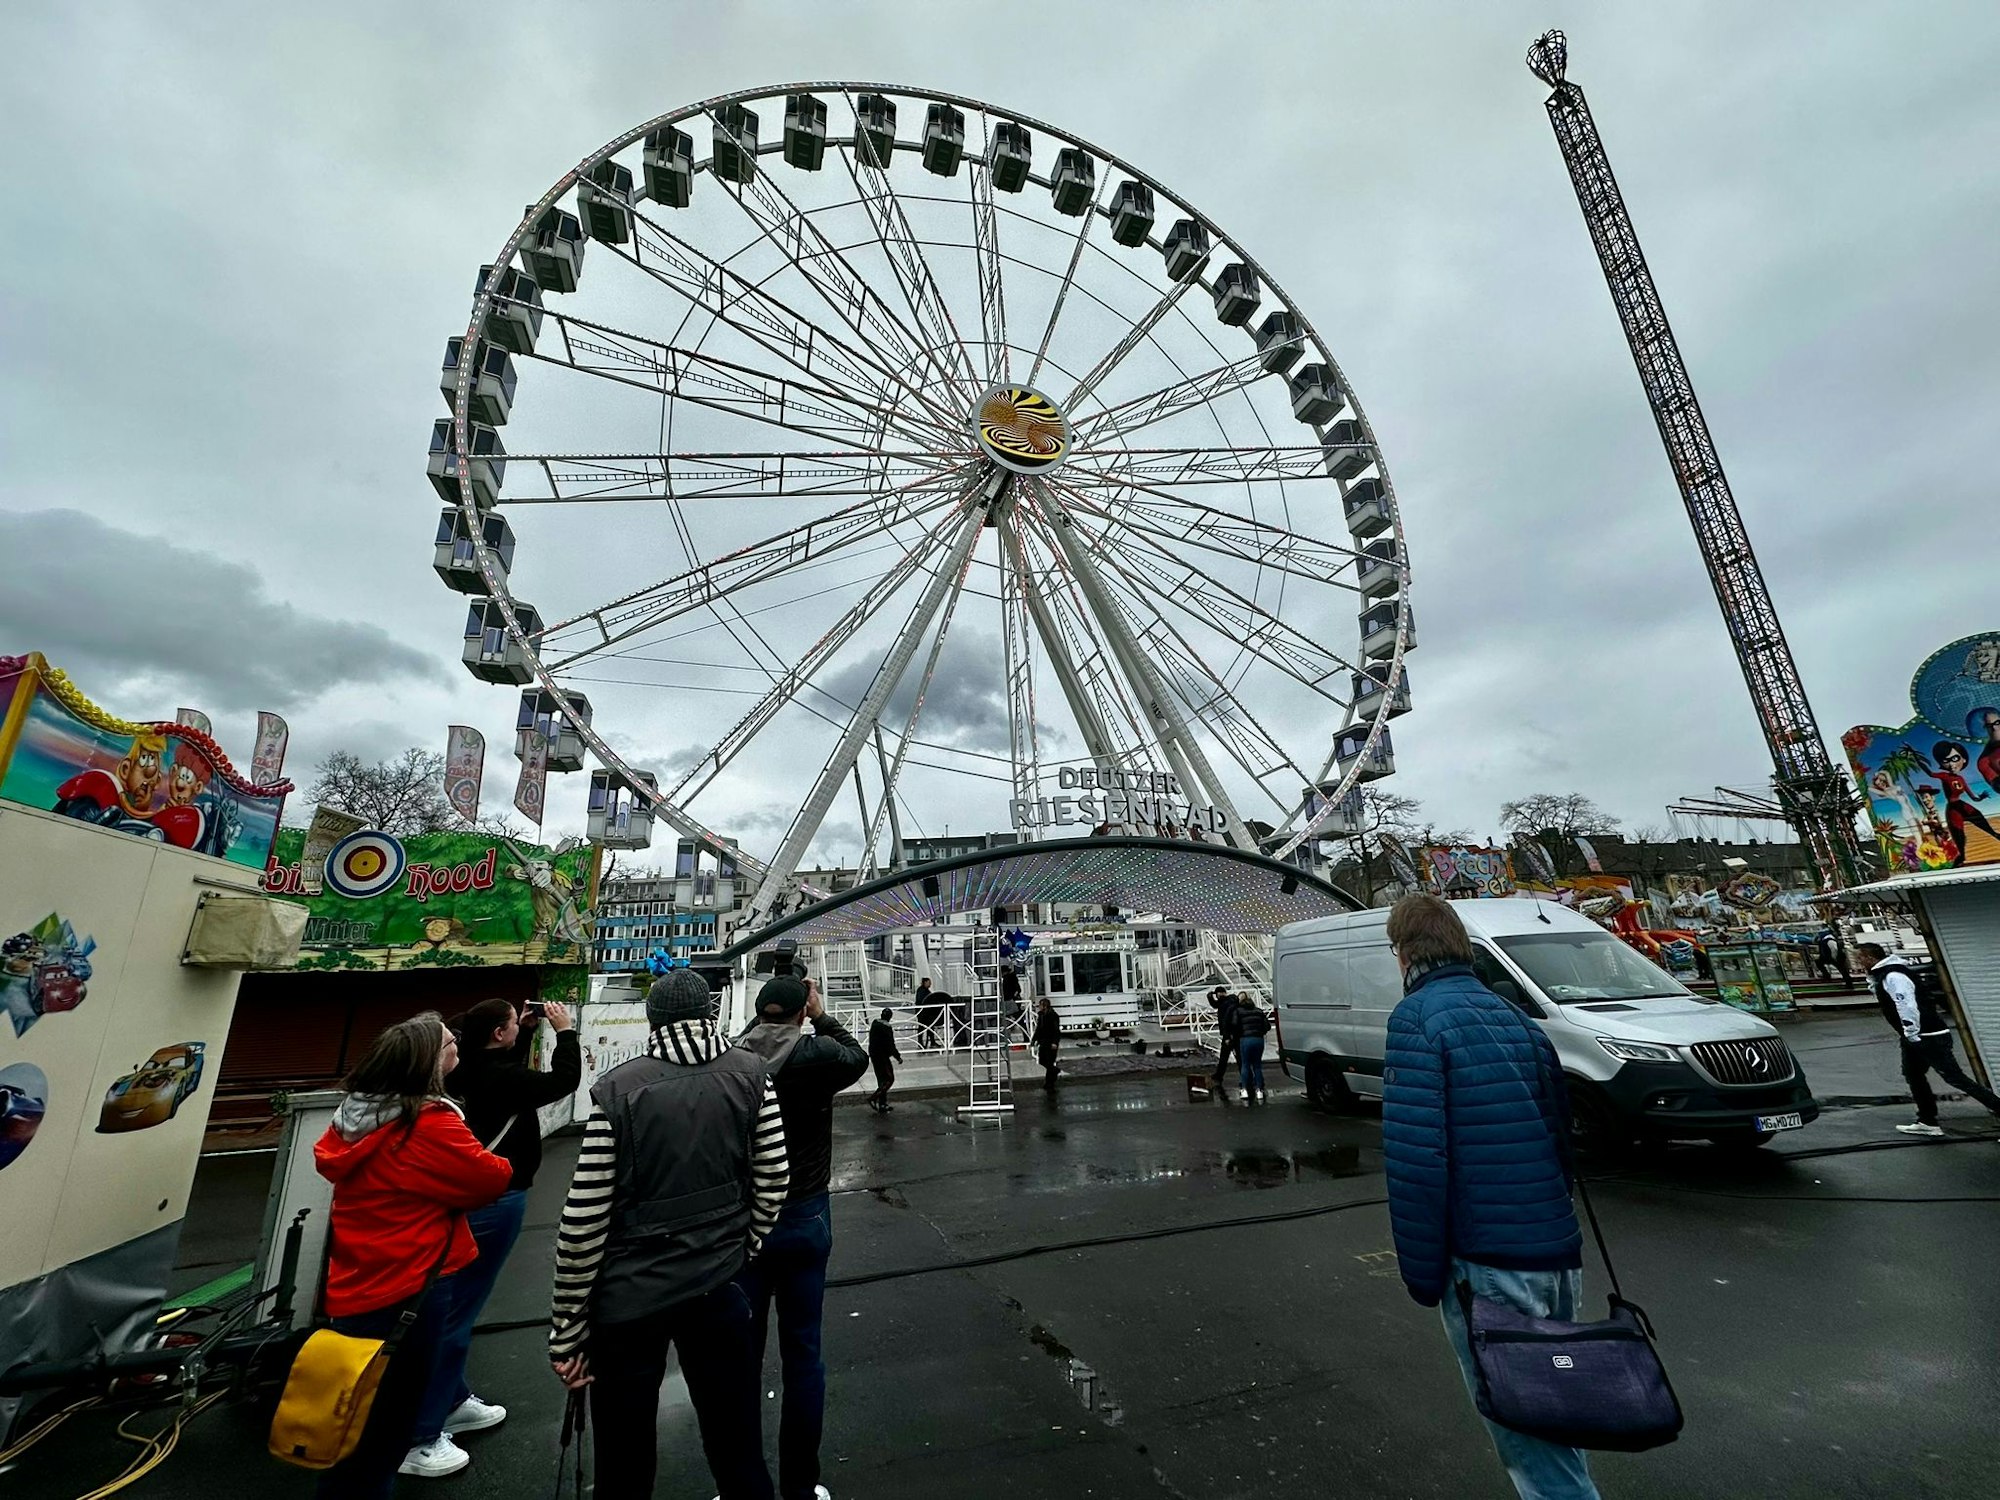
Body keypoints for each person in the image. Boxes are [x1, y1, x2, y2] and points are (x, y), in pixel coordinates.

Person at [1380, 894, 1598, 1500]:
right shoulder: (1511, 1015)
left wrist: (1423, 1275)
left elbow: (1417, 1159)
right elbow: (1560, 1134)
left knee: (1529, 1438)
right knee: (1553, 1412)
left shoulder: (1417, 1019)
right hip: (1554, 1253)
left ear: (1402, 952)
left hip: (1489, 1262)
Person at [547, 968, 789, 1500]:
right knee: (737, 1442)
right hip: (718, 1284)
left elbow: (583, 1222)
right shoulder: (752, 1074)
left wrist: (568, 1328)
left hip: (630, 1300)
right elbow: (774, 1179)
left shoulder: (617, 1091)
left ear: (652, 1020)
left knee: (624, 1458)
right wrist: (742, 1247)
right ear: (710, 1014)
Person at [313, 1014, 514, 1499]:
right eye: (450, 1042)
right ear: (428, 1060)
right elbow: (491, 1176)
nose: (456, 1047)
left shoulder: (357, 1113)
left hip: (359, 1277)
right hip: (415, 1281)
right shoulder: (429, 1121)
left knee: (361, 1417)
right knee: (389, 1423)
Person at [398, 998, 582, 1477]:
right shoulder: (494, 1077)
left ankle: (452, 1399)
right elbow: (561, 1082)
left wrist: (514, 1033)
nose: (453, 1044)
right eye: (447, 1043)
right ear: (499, 1035)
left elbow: (500, 1072)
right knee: (457, 1313)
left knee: (455, 1305)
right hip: (495, 1199)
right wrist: (565, 1032)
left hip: (466, 1201)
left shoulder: (464, 1073)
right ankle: (421, 1434)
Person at [736, 975, 869, 1500]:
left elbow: (755, 1037)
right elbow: (855, 1054)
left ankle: (742, 1481)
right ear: (800, 1012)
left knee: (740, 1358)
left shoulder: (733, 1062)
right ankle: (799, 1483)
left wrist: (768, 1018)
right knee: (803, 1356)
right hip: (805, 1213)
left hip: (746, 1222)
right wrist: (820, 1012)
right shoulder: (816, 1058)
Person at [1857, 941, 2000, 1137]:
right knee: (1913, 1075)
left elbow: (1906, 1004)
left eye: (1860, 957)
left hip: (1927, 1035)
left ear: (1870, 958)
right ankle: (1927, 1120)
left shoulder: (1893, 976)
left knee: (1955, 1077)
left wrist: (1911, 1032)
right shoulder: (1885, 974)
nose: (1858, 961)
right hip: (1916, 1036)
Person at [1232, 994, 1270, 1101]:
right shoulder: (1259, 1011)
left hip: (1245, 1039)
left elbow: (1234, 1025)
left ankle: (1244, 1090)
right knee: (1257, 1066)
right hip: (1258, 1039)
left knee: (1245, 1065)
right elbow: (1267, 1026)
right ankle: (1259, 1091)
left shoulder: (1238, 1011)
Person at [866, 1007, 901, 1113]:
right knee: (889, 1079)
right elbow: (890, 1045)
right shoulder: (887, 1028)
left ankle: (882, 1104)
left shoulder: (875, 1023)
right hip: (883, 1057)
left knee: (881, 1080)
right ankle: (874, 1098)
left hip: (874, 1054)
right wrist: (897, 1057)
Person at [1209, 988, 1239, 1084]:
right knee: (1238, 1056)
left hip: (1229, 1034)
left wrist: (1226, 1036)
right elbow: (1215, 1004)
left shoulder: (1225, 1004)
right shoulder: (1230, 1001)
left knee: (1225, 1056)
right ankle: (1247, 1075)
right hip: (1235, 1033)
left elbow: (1226, 1021)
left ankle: (1219, 1075)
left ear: (1219, 994)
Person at [1033, 996, 1062, 1089]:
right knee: (1043, 1060)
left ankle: (1049, 1082)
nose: (1039, 1007)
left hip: (1050, 1041)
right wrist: (1034, 1039)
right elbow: (1038, 1029)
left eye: (1040, 1005)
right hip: (1043, 1041)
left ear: (1045, 1006)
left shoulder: (1053, 1016)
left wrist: (1055, 1042)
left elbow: (1056, 1030)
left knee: (1049, 1061)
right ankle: (1054, 1072)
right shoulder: (1041, 1015)